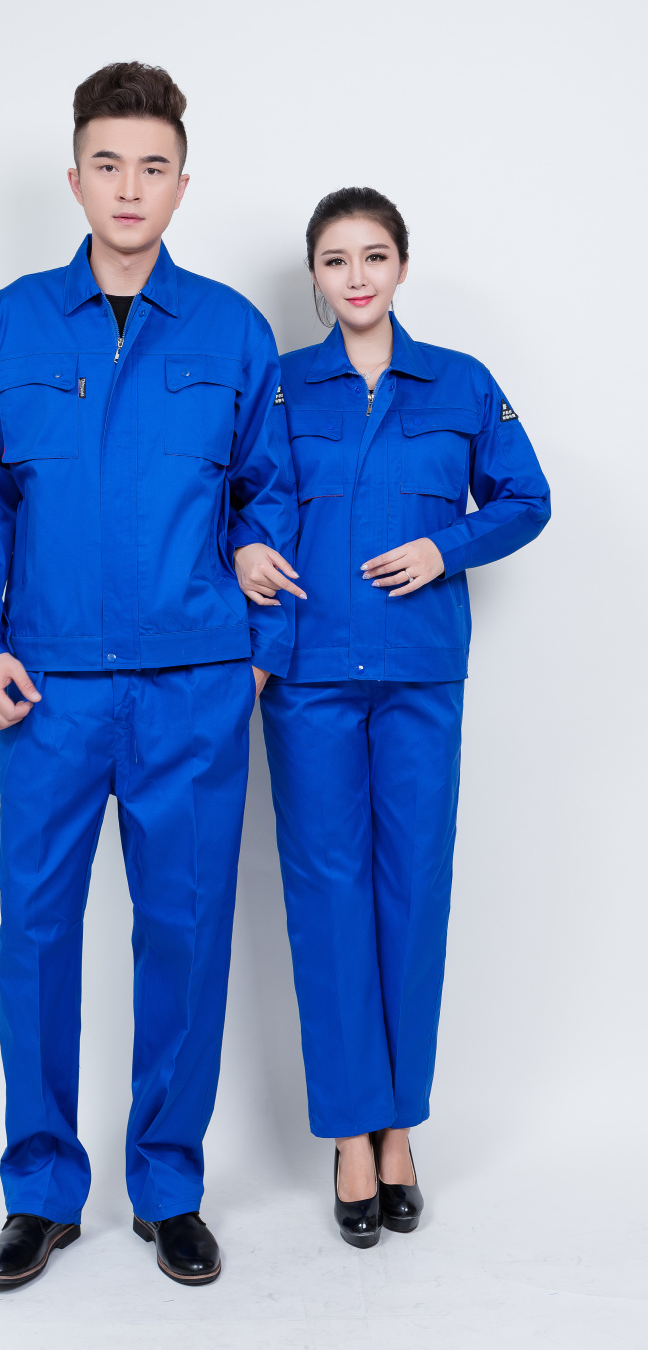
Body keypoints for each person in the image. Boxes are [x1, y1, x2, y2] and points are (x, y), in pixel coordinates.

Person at [0, 62, 301, 1288]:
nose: (130, 187)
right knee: (36, 932)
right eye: (108, 164)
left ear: (182, 185)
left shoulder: (233, 332)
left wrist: (259, 658)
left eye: (153, 167)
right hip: (47, 689)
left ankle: (168, 1185)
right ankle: (40, 1191)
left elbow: (273, 497)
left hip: (195, 684)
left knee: (184, 934)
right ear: (76, 177)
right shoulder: (12, 323)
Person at [242, 187, 550, 1247]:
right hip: (310, 676)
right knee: (327, 899)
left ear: (402, 267)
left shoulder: (461, 382)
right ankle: (349, 1133)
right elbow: (246, 505)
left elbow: (526, 498)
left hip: (421, 673)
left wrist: (446, 547)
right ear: (316, 277)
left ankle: (400, 1127)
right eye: (336, 260)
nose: (357, 276)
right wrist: (246, 559)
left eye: (374, 256)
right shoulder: (281, 386)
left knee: (412, 893)